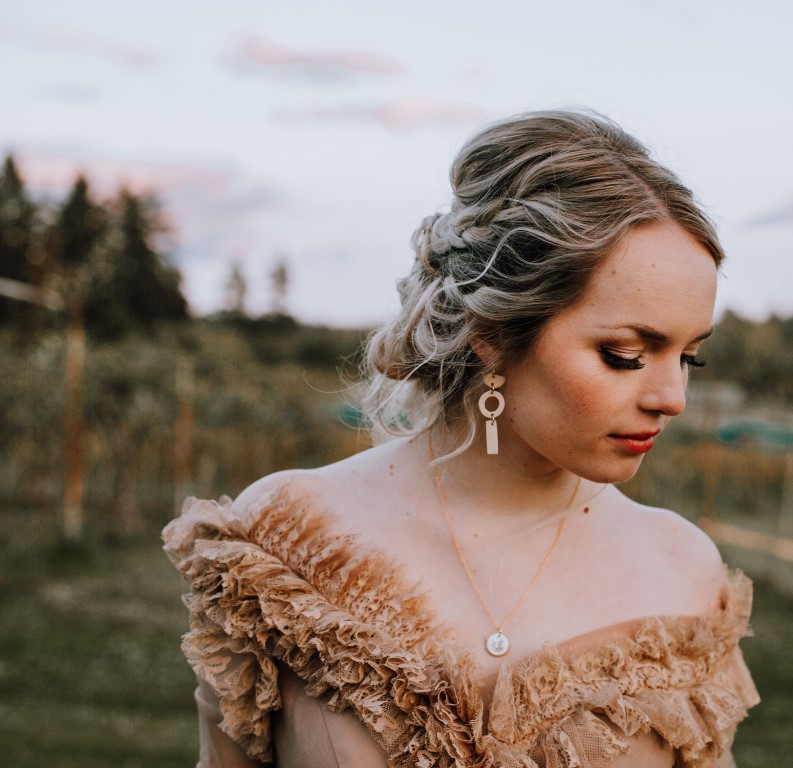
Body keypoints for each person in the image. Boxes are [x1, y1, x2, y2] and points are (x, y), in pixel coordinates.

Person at [163, 109, 760, 768]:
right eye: (625, 355)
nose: (672, 398)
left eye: (689, 357)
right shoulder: (288, 540)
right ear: (493, 333)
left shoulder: (683, 571)